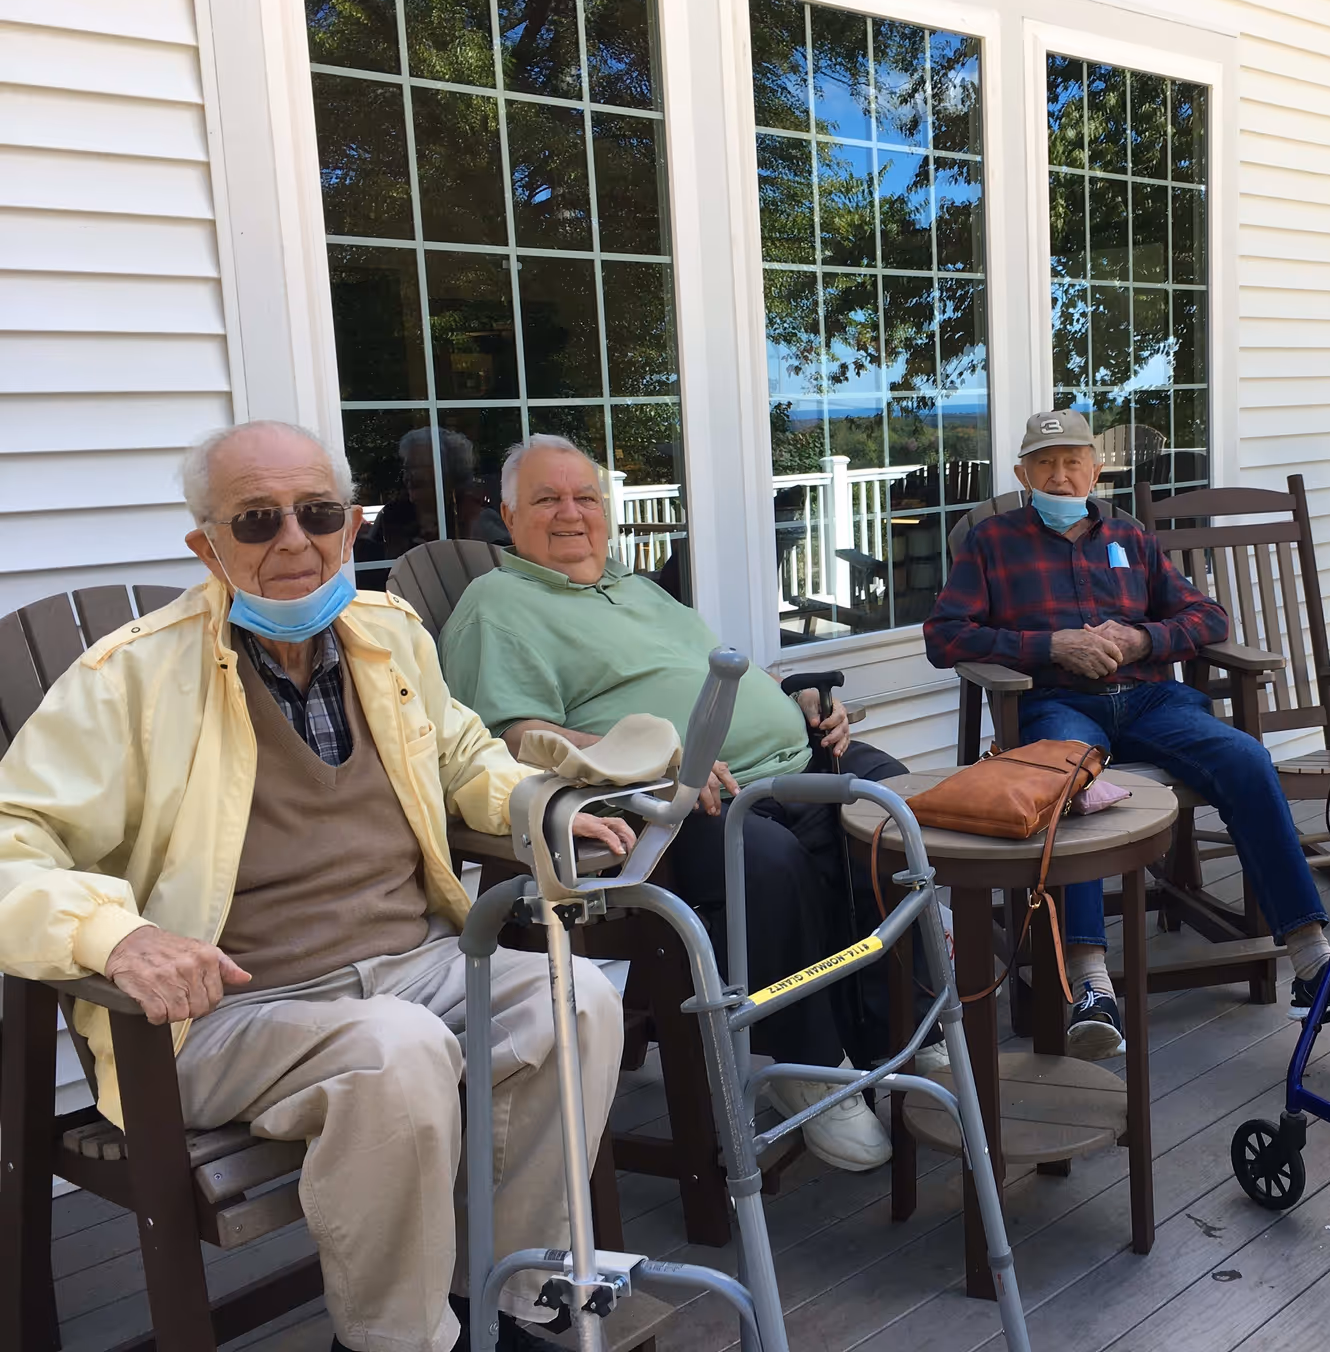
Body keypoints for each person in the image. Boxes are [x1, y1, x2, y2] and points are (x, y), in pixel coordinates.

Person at [0, 421, 637, 1352]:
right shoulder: (129, 679)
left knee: (575, 998)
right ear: (205, 545)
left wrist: (537, 806)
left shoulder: (388, 636)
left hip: (410, 965)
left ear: (352, 524)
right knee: (398, 1052)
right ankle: (395, 1338)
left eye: (318, 513)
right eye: (256, 522)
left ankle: (512, 1292)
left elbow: (460, 753)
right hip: (226, 1010)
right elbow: (13, 837)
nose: (293, 540)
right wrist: (117, 937)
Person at [439, 434, 933, 1175]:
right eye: (547, 500)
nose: (572, 514)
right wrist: (650, 759)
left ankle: (905, 1034)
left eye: (586, 498)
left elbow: (709, 677)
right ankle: (805, 1066)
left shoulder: (636, 587)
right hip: (666, 804)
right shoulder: (497, 606)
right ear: (508, 518)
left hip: (794, 759)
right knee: (767, 864)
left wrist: (794, 699)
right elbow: (515, 737)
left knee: (903, 814)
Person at [923, 410, 1330, 1058]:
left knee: (1245, 757)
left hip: (1151, 698)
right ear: (1021, 473)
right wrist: (1051, 645)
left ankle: (1311, 960)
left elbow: (1207, 615)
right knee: (1068, 778)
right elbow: (946, 637)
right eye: (1044, 462)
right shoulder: (993, 542)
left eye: (1072, 460)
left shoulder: (1129, 537)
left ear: (1095, 470)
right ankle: (1090, 988)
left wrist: (1142, 636)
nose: (1060, 473)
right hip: (1057, 703)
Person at [358, 425, 511, 564]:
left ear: (450, 473)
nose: (410, 476)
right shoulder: (391, 515)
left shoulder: (478, 518)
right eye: (407, 467)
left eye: (419, 467)